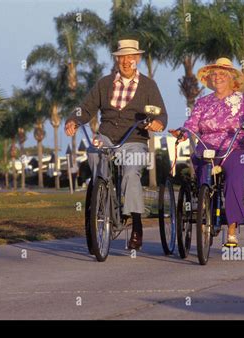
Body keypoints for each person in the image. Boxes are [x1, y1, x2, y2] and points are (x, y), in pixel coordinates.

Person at [65, 39, 168, 251]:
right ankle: (102, 191)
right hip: (107, 135)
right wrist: (72, 120)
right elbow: (85, 108)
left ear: (137, 59)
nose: (126, 61)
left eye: (131, 57)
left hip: (134, 138)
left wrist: (158, 123)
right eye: (122, 57)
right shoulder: (104, 83)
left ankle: (136, 225)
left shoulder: (149, 85)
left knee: (131, 174)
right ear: (117, 59)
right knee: (93, 151)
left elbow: (162, 114)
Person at [170, 57, 244, 246]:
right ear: (210, 79)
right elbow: (192, 124)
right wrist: (183, 133)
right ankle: (207, 211)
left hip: (236, 147)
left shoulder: (243, 100)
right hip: (208, 147)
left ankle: (231, 229)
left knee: (234, 180)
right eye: (214, 74)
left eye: (222, 74)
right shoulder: (203, 102)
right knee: (204, 177)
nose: (218, 77)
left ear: (231, 78)